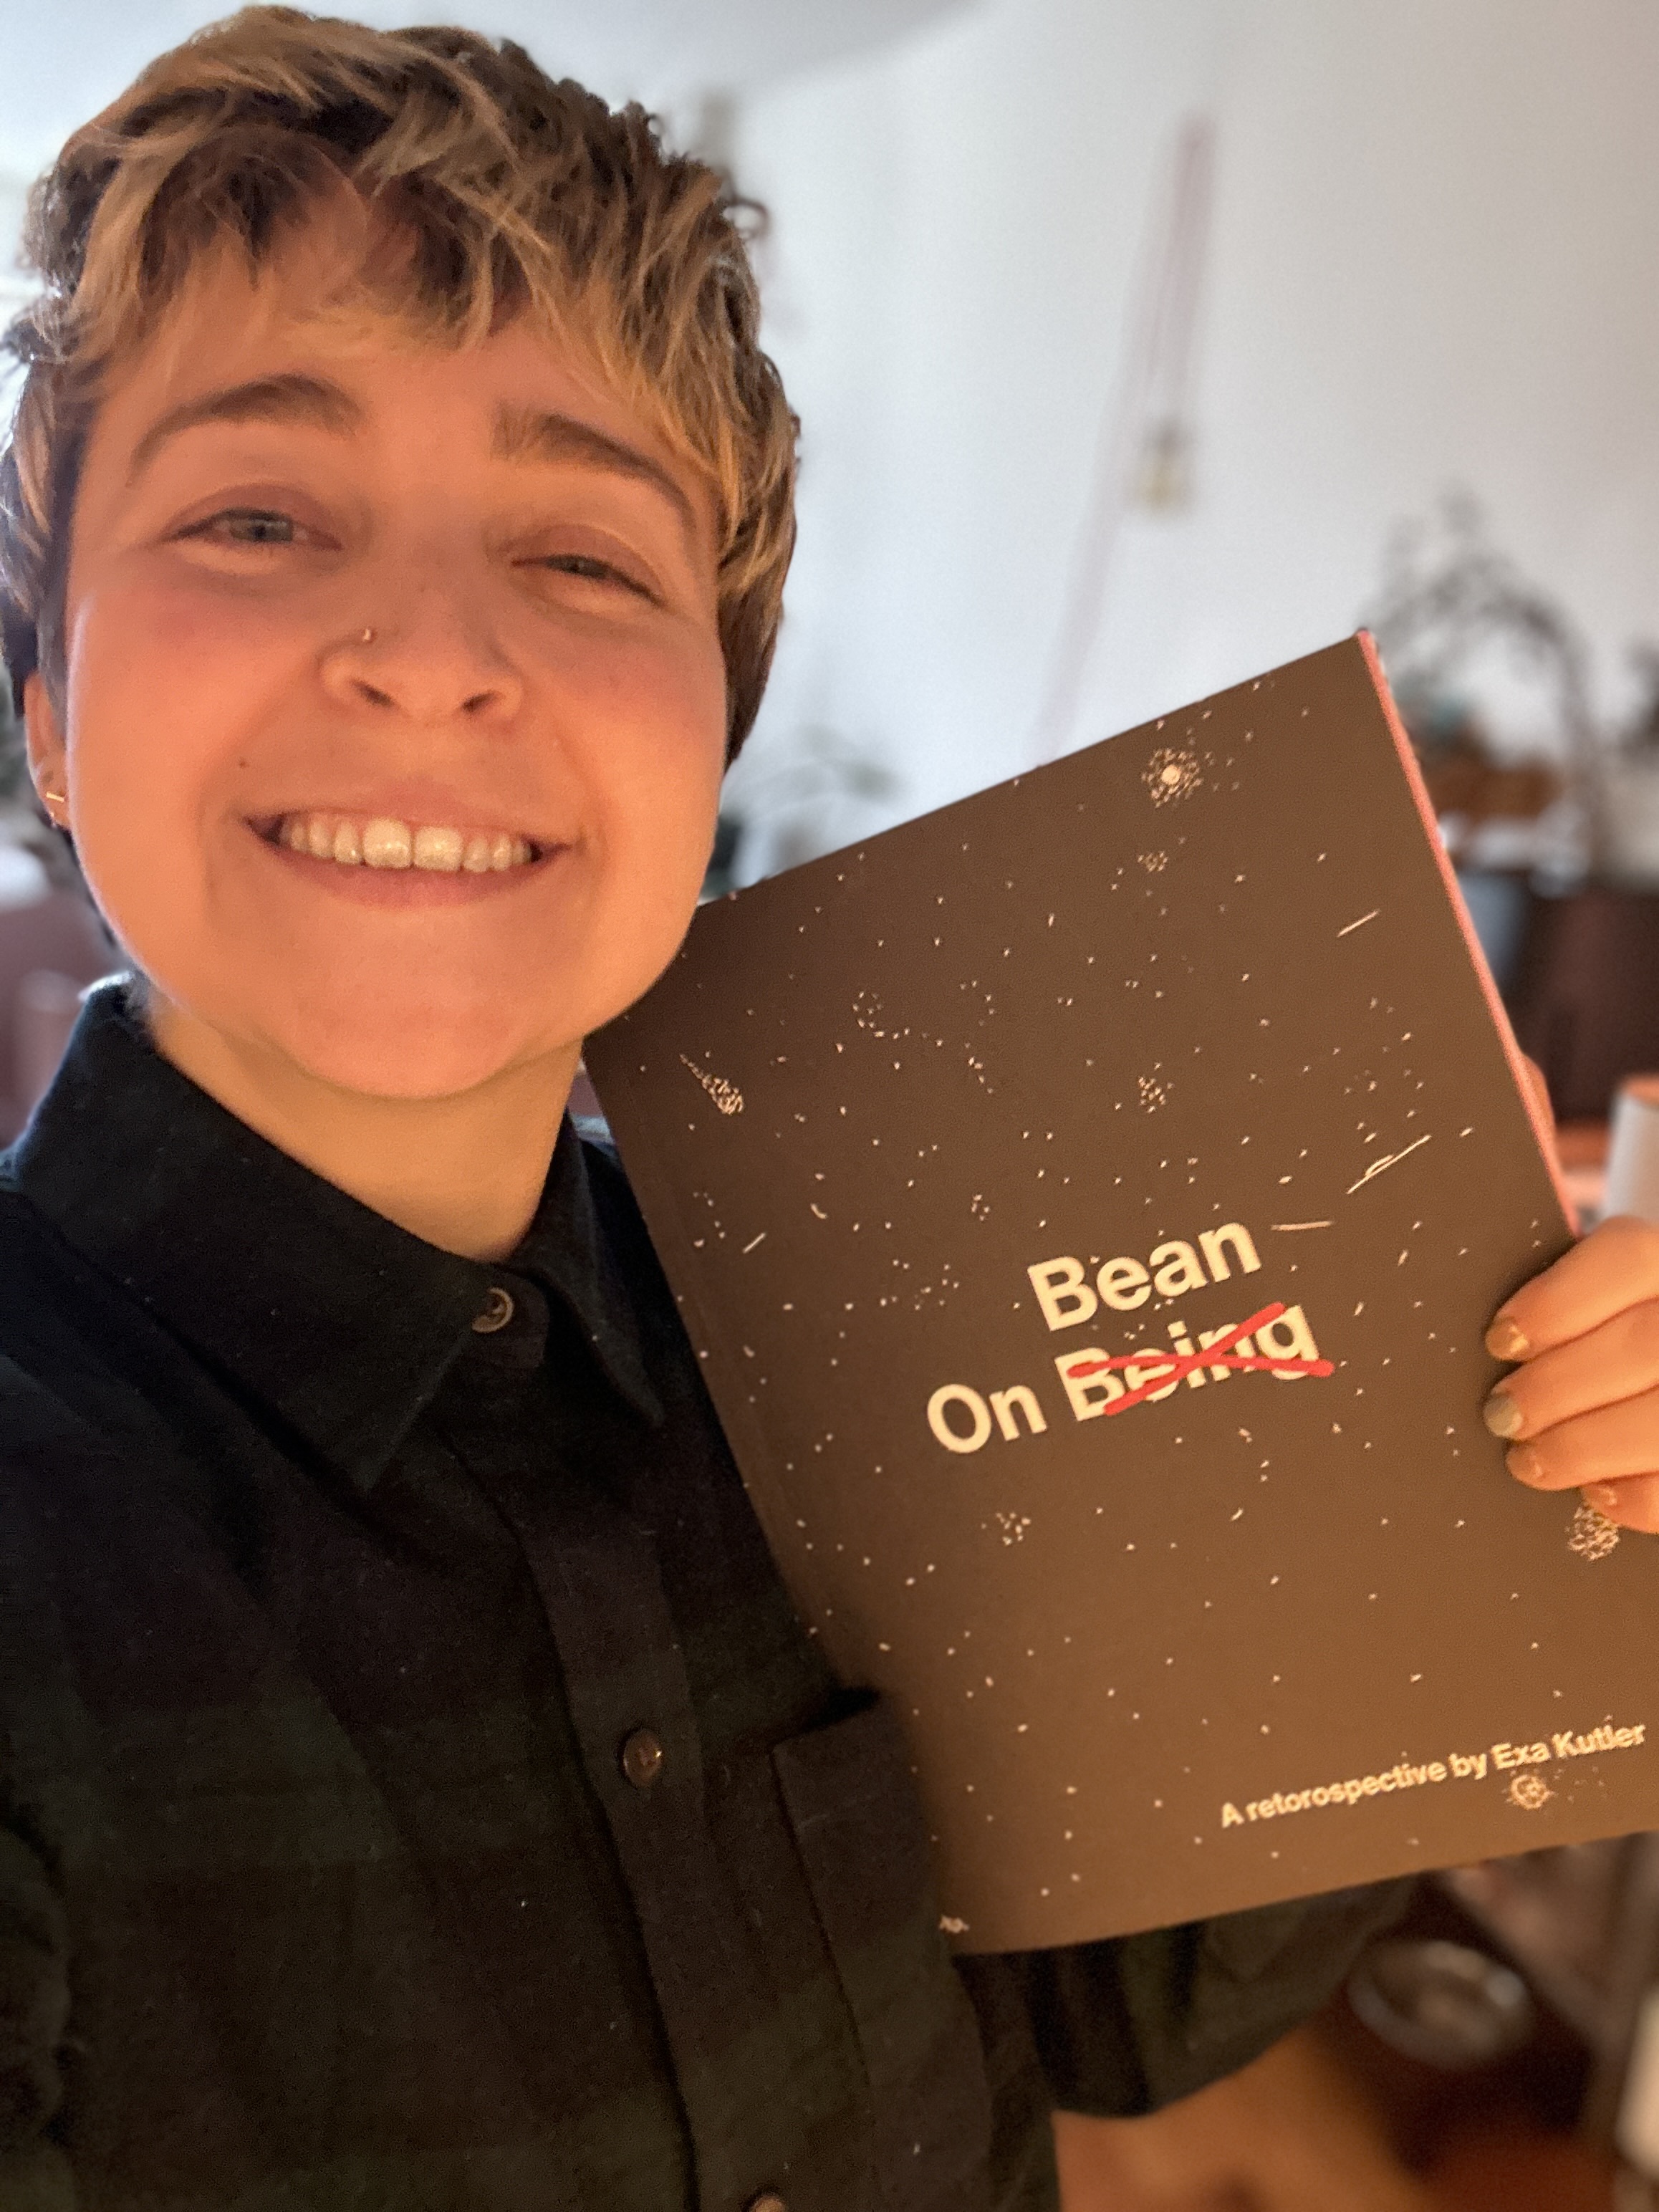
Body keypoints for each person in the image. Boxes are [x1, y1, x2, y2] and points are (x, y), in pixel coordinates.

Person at [0, 11, 1650, 2207]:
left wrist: (1504, 1480)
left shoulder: (874, 1330)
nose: (430, 648)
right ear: (46, 712)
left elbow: (1118, 2013)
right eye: (257, 514)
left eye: (583, 559)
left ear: (713, 737)